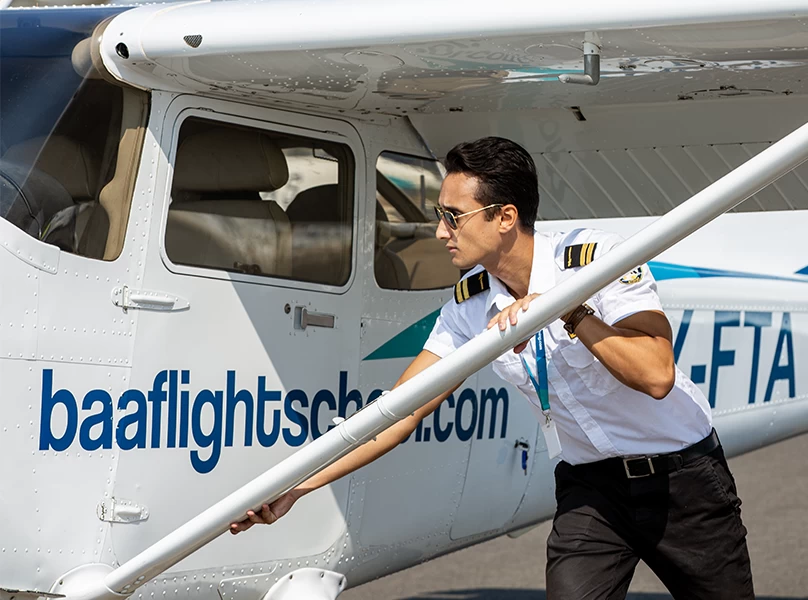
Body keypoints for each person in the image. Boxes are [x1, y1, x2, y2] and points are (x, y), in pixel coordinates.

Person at [231, 136, 754, 599]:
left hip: (683, 483)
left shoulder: (597, 261)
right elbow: (398, 414)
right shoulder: (469, 305)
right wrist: (296, 486)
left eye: (452, 217)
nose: (440, 232)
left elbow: (657, 374)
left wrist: (566, 308)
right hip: (592, 492)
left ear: (504, 217)